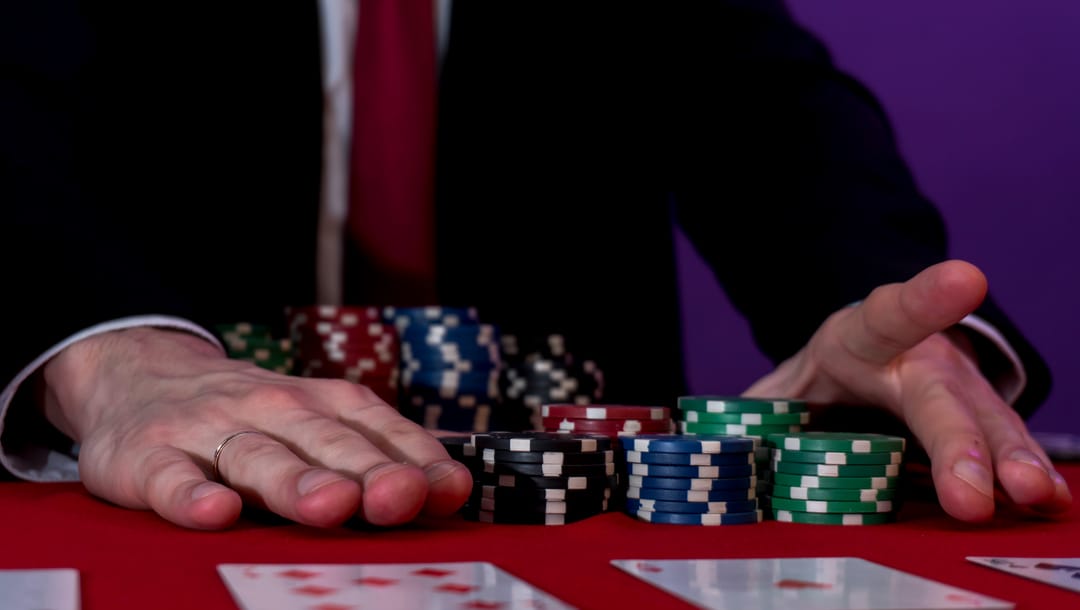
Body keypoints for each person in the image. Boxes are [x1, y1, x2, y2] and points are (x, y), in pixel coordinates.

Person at [0, 1, 1069, 530]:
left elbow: (775, 117)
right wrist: (106, 353)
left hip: (564, 506)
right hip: (175, 484)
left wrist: (901, 324)